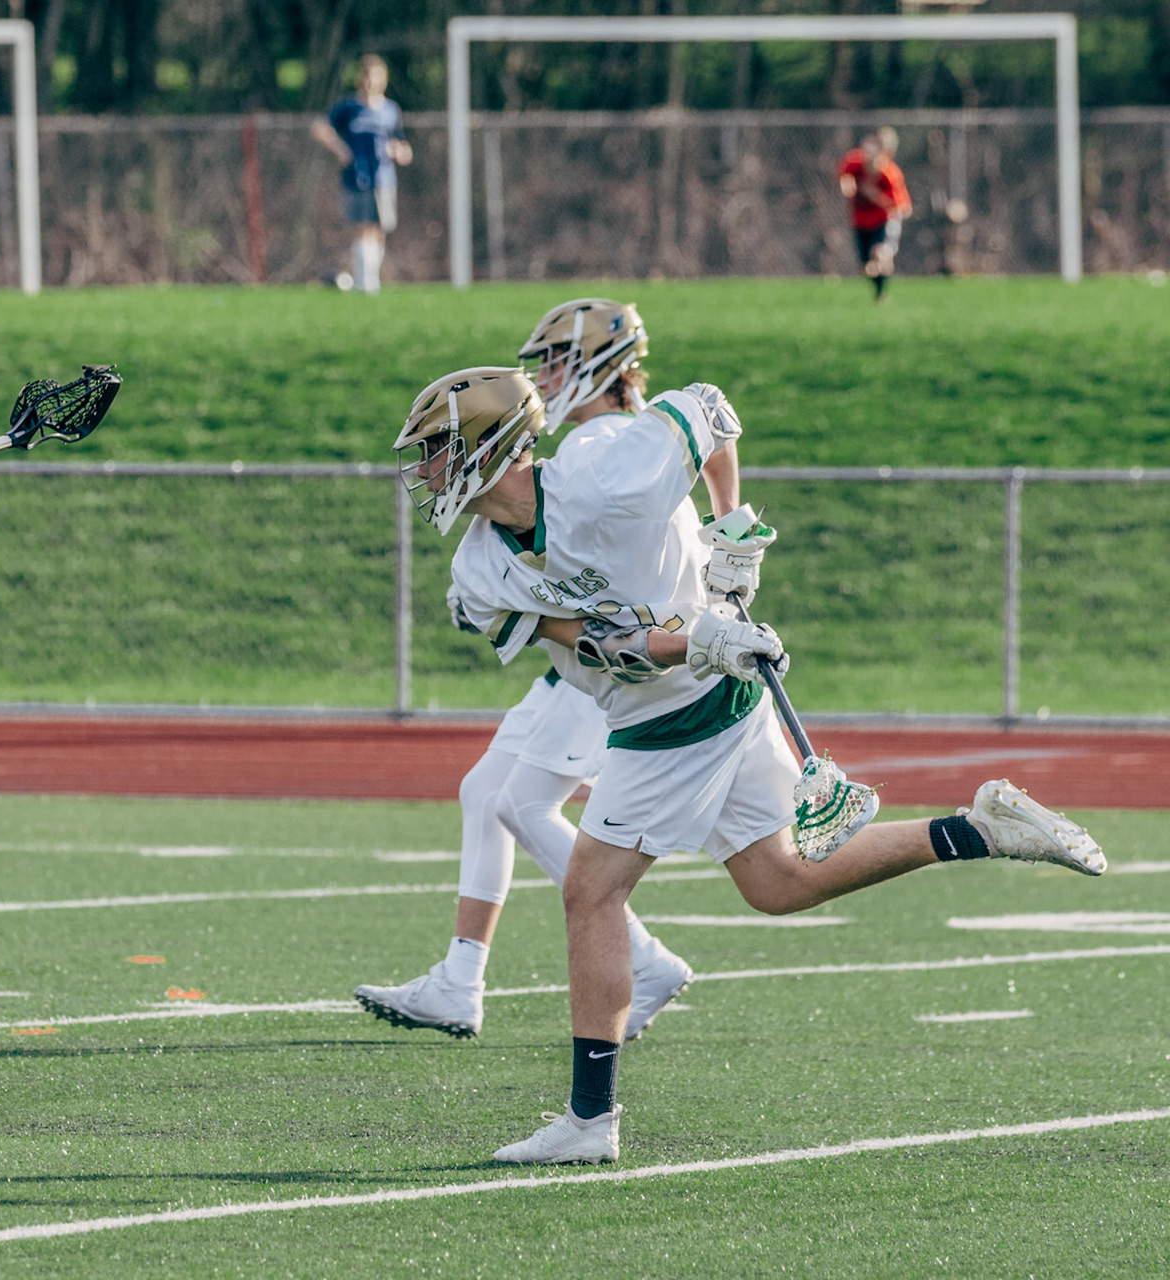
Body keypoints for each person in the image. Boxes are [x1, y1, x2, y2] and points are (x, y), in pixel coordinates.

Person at [395, 367, 1104, 1168]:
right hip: (701, 691)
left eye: (435, 451)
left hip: (673, 723)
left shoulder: (604, 466)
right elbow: (596, 645)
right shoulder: (481, 569)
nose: (424, 471)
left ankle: (590, 1121)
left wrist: (730, 530)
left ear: (488, 446)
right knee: (778, 881)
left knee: (590, 891)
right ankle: (976, 830)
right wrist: (698, 640)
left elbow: (710, 410)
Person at [355, 301, 700, 1043]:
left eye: (556, 361)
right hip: (582, 659)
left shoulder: (604, 444)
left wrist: (723, 559)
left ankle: (641, 959)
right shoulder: (575, 454)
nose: (545, 377)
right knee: (488, 793)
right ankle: (460, 978)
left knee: (524, 804)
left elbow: (703, 439)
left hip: (632, 662)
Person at [311, 54, 412, 295]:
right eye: (366, 76)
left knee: (378, 230)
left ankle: (369, 278)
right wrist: (340, 149)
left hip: (384, 178)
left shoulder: (390, 110)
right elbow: (319, 127)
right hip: (356, 177)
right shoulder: (349, 107)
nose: (369, 82)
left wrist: (400, 152)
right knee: (362, 227)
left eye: (374, 77)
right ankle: (364, 281)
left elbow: (403, 146)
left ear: (383, 80)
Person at [837, 127, 911, 301]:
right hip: (860, 221)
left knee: (879, 254)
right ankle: (879, 291)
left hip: (882, 221)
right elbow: (844, 176)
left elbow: (902, 207)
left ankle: (881, 290)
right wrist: (847, 186)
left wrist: (874, 195)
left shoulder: (890, 174)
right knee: (866, 267)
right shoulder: (855, 163)